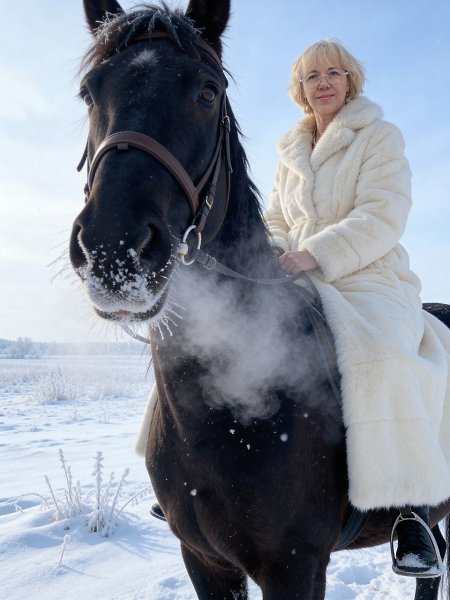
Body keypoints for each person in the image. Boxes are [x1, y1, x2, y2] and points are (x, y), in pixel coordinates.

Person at [264, 38, 450, 577]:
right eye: (311, 76)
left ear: (350, 81)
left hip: (368, 274)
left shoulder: (378, 136)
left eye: (333, 73)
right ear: (300, 90)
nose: (322, 83)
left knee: (383, 353)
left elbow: (383, 213)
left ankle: (411, 510)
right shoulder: (289, 150)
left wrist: (316, 253)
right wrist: (274, 253)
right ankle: (193, 479)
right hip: (295, 274)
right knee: (222, 336)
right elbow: (275, 217)